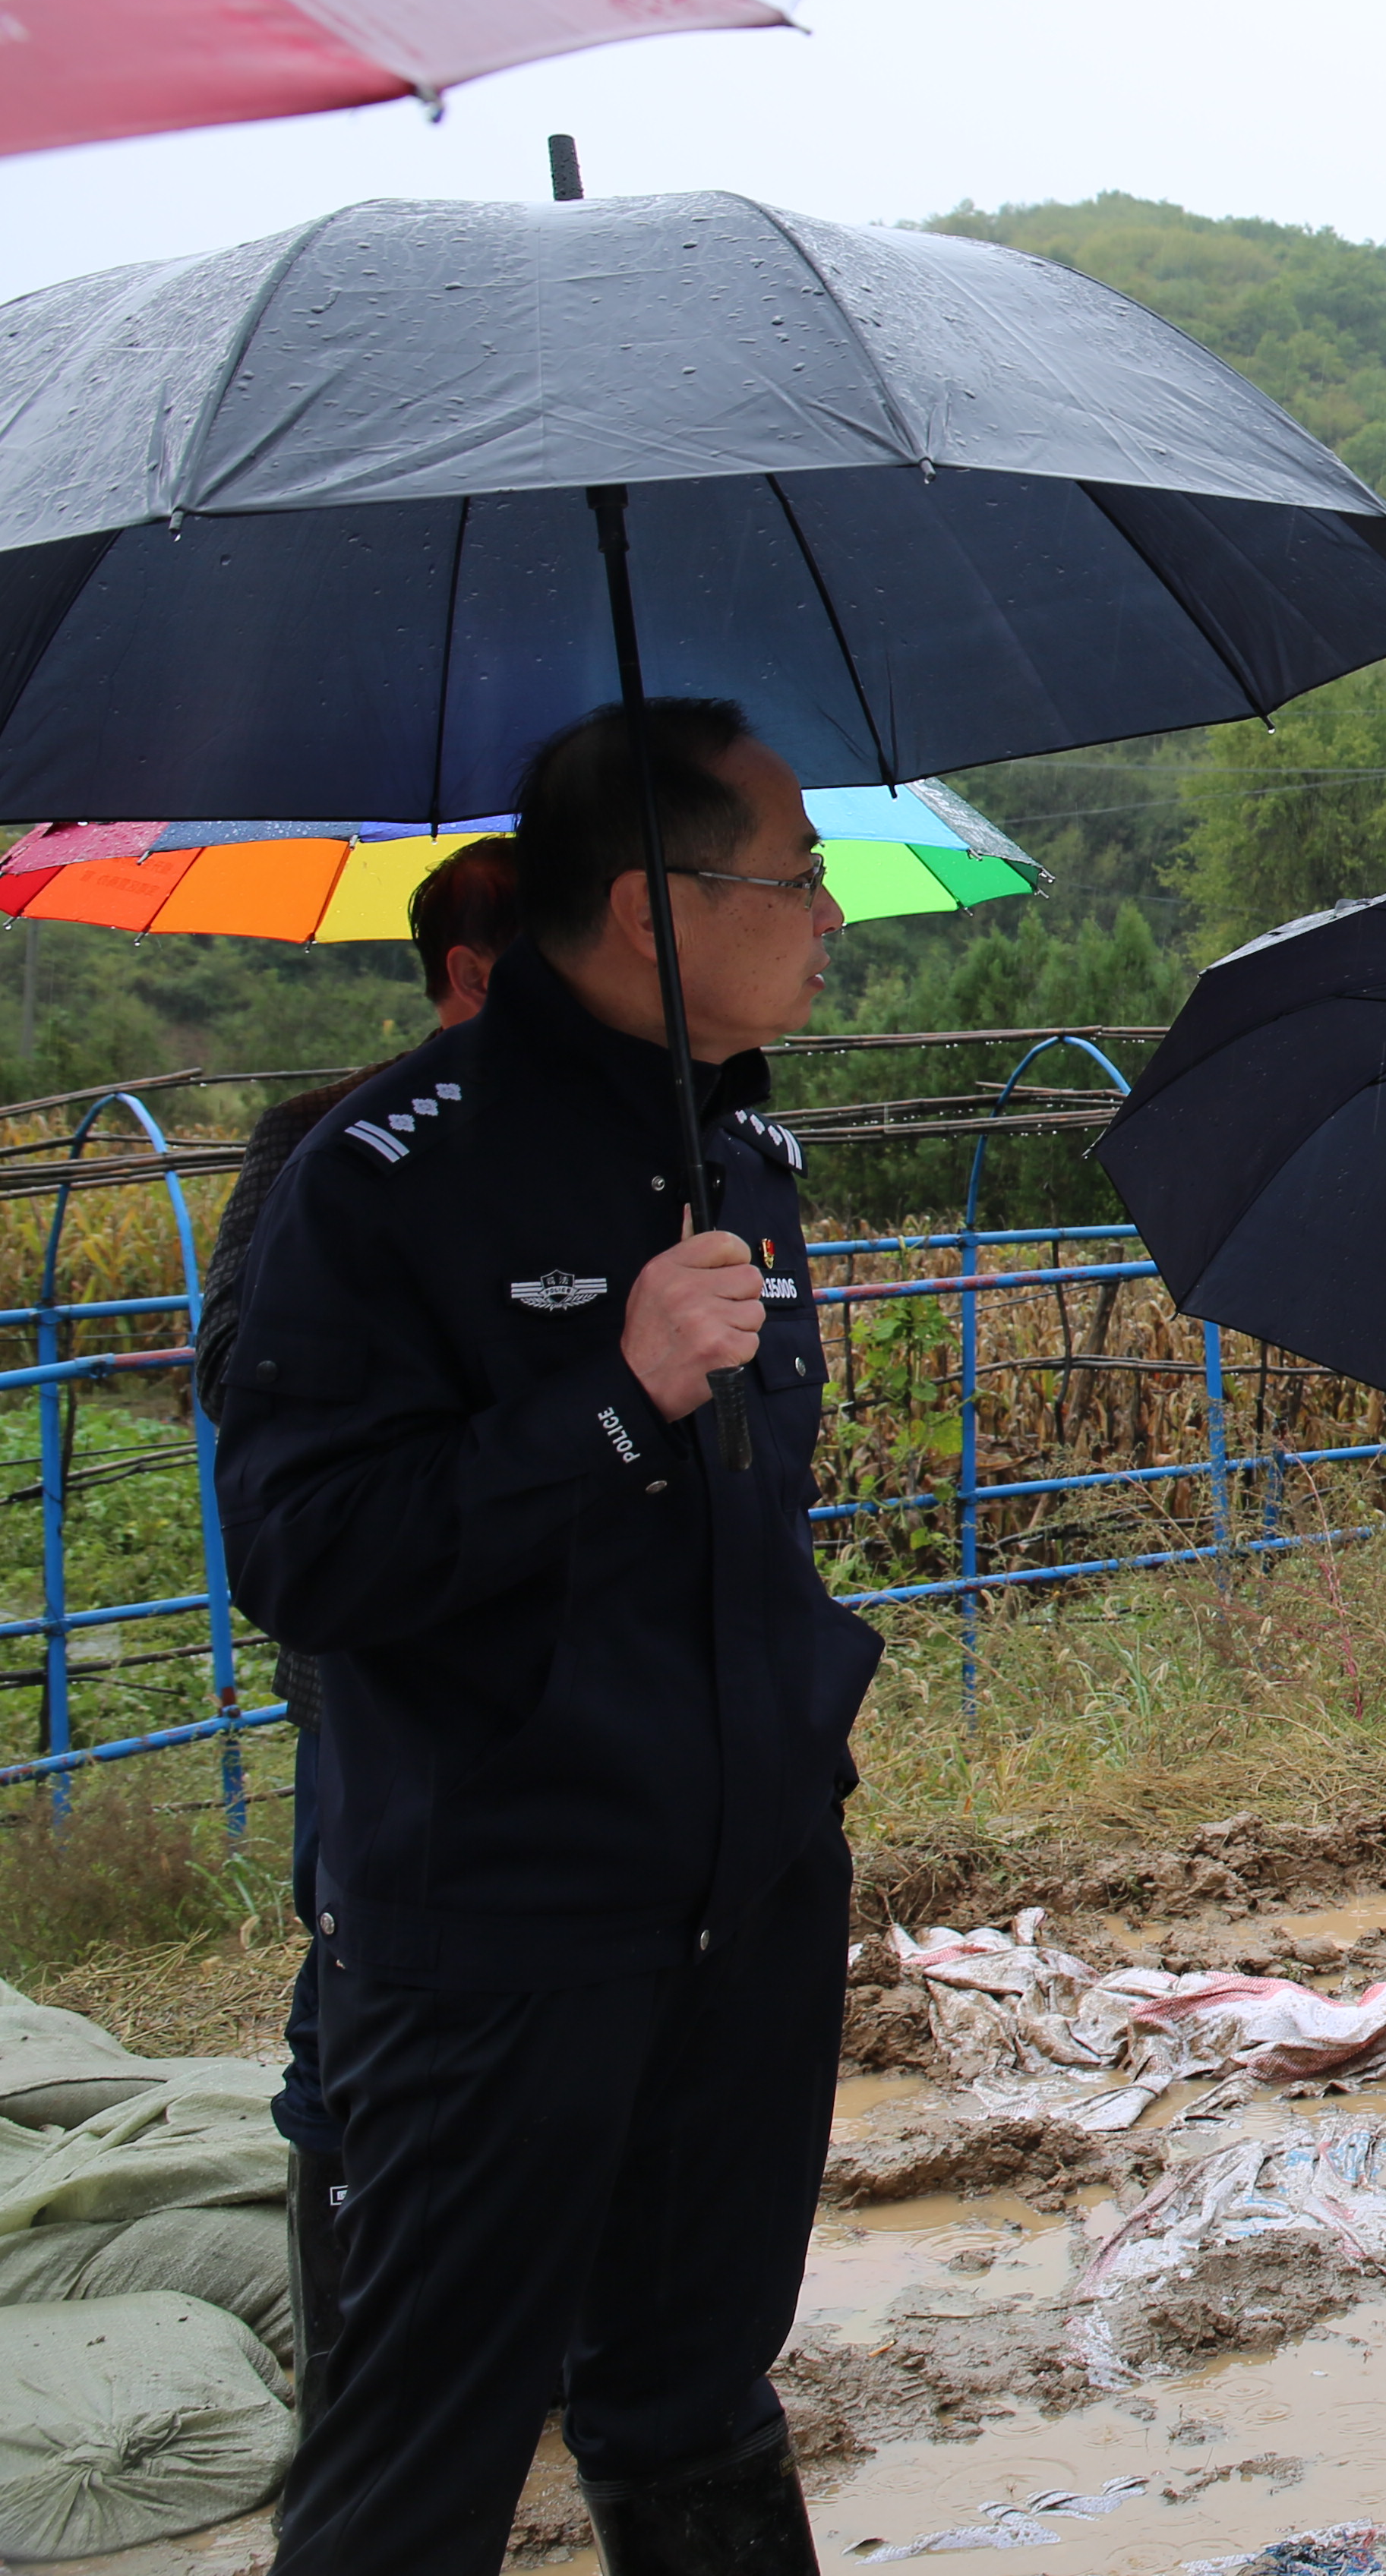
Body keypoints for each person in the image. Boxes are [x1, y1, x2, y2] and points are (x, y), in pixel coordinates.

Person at [216, 702, 874, 2576]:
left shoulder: (746, 1162)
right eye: (798, 876)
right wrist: (612, 1394)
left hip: (746, 1895)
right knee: (429, 2441)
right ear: (659, 909)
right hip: (505, 1920)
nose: (829, 915)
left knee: (694, 2398)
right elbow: (307, 1558)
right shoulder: (385, 1176)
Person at [192, 837, 523, 2435]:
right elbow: (245, 1374)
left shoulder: (639, 1149)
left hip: (575, 1690)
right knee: (365, 2020)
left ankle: (546, 2357)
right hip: (387, 1684)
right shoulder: (318, 1146)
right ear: (468, 975)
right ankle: (362, 2393)